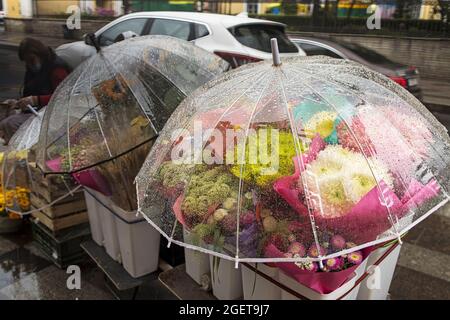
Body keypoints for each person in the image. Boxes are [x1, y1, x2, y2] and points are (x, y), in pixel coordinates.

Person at [0, 38, 71, 143]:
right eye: (27, 62)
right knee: (6, 118)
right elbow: (30, 90)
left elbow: (63, 96)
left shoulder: (57, 68)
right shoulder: (33, 68)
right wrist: (19, 102)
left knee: (10, 123)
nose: (29, 64)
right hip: (36, 109)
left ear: (39, 54)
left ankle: (25, 150)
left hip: (51, 113)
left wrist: (36, 100)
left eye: (31, 60)